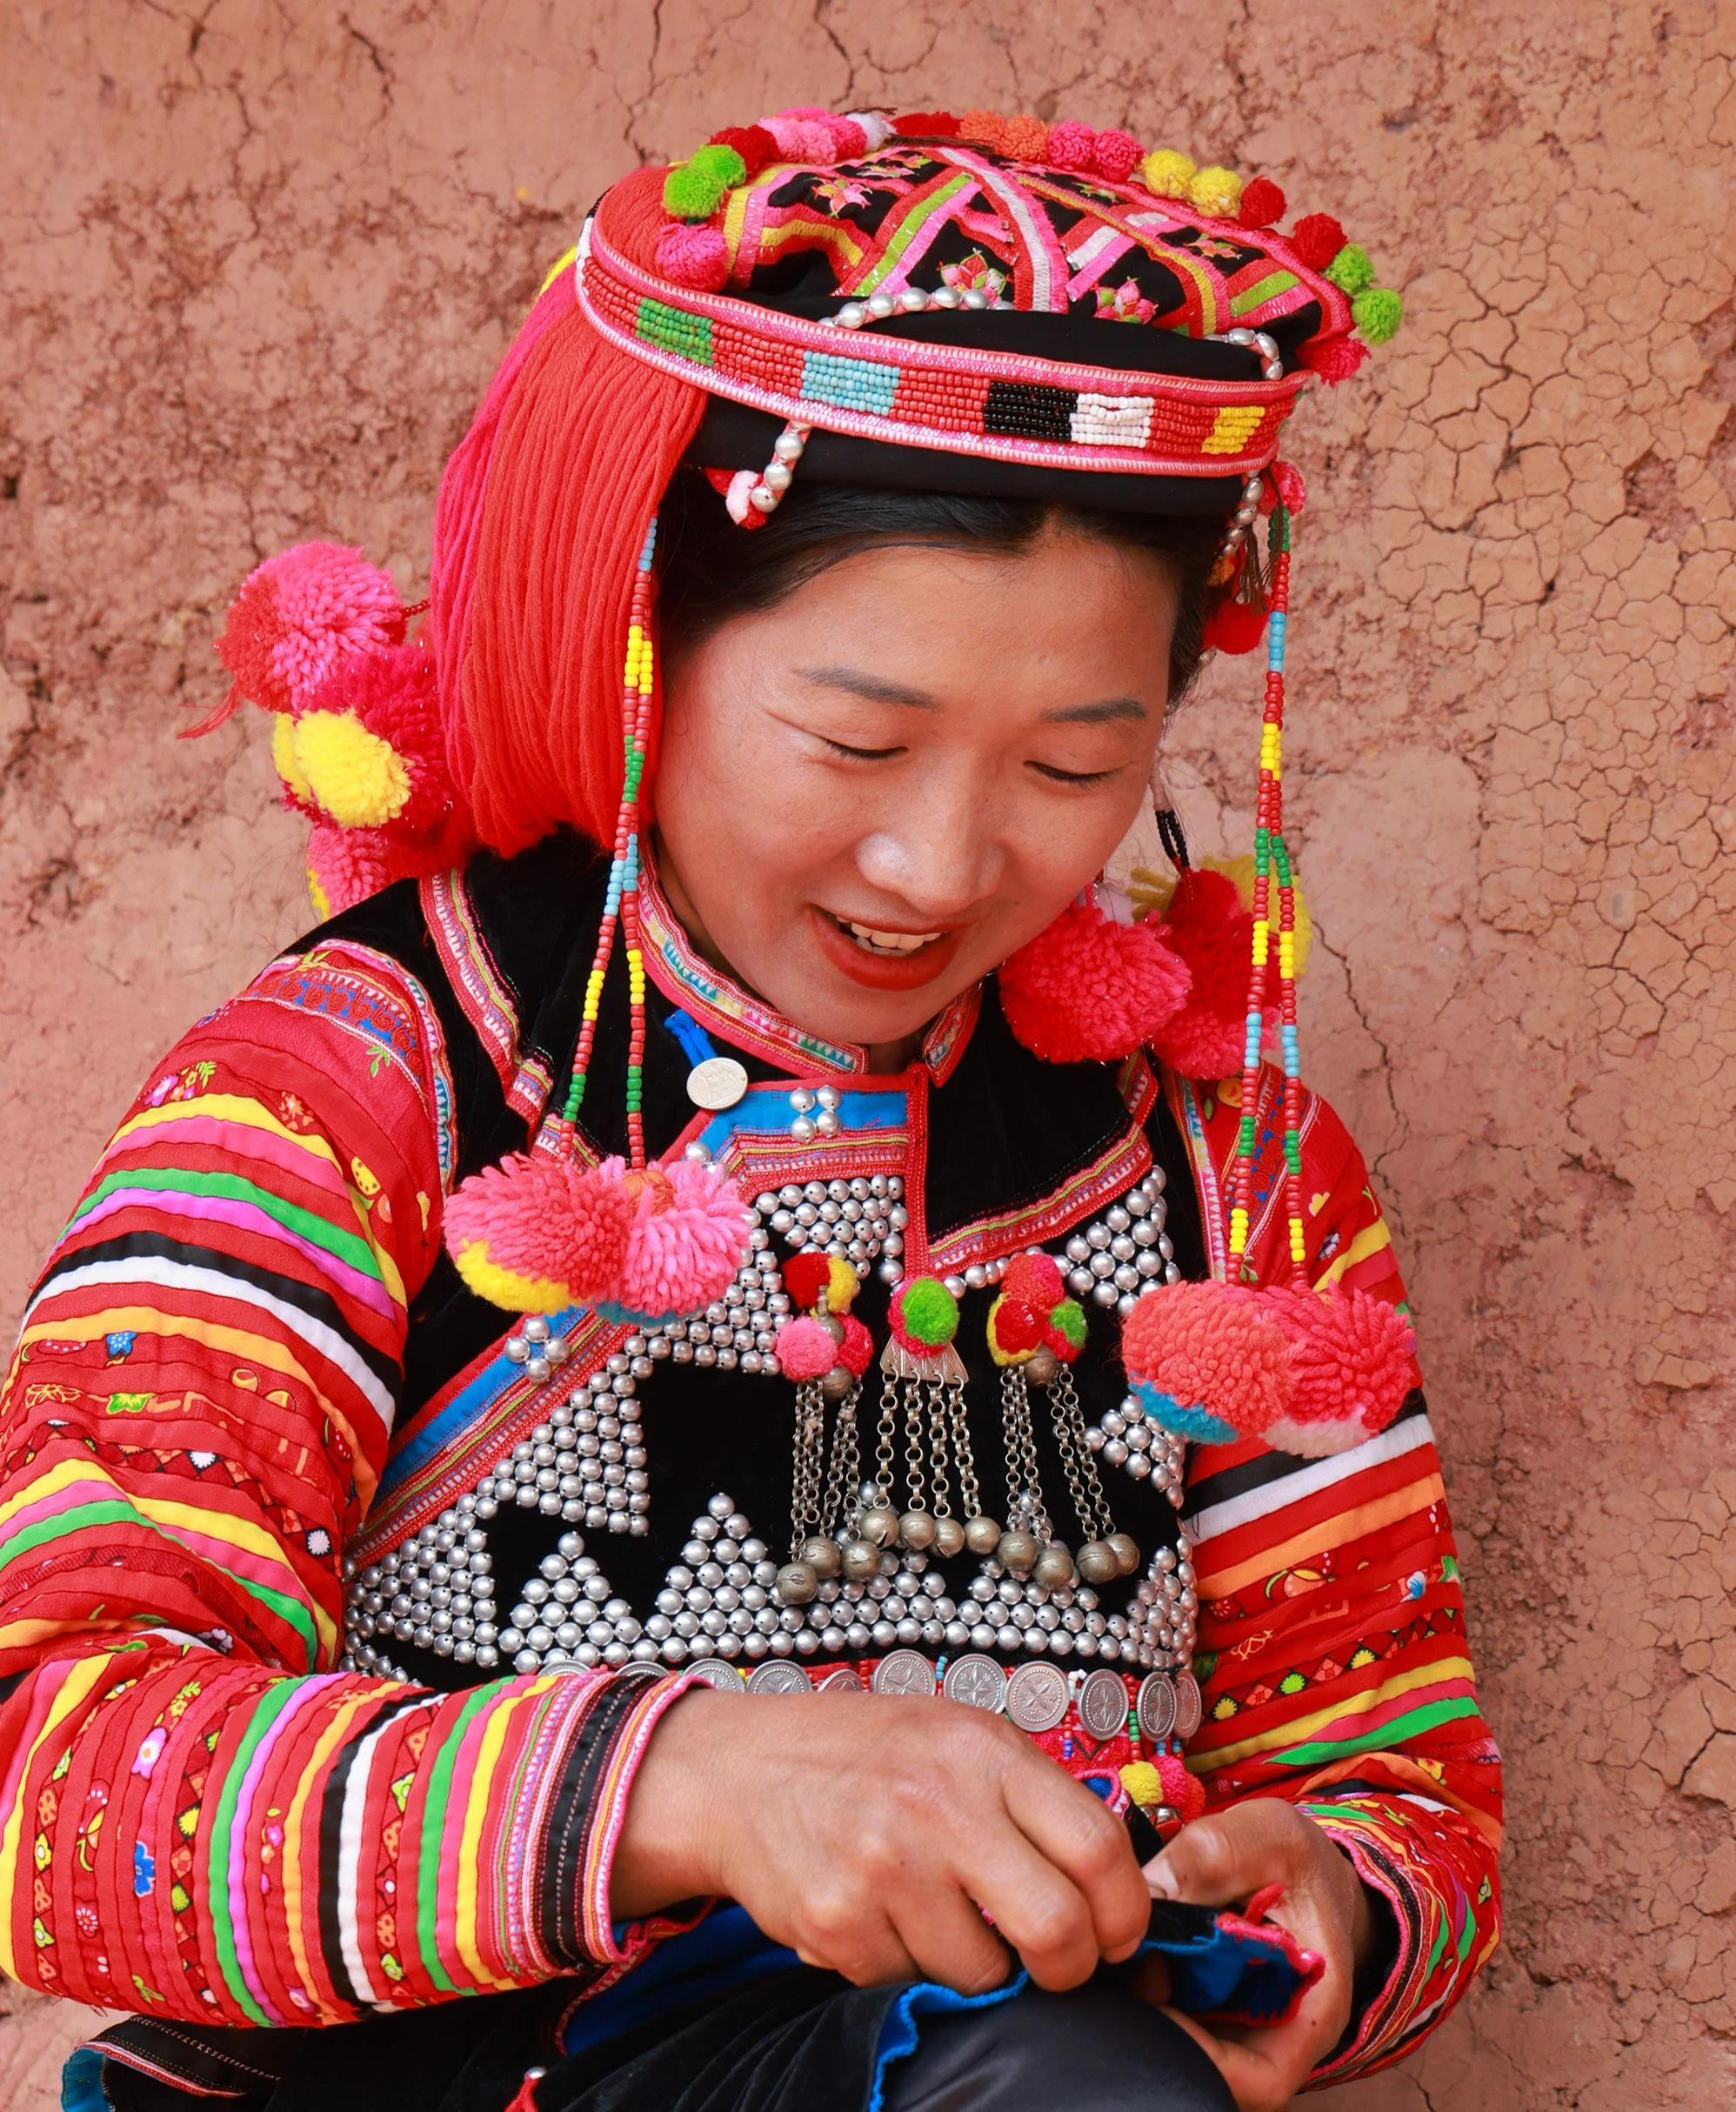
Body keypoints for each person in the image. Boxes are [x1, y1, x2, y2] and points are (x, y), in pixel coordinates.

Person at [0, 104, 1500, 2112]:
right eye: (851, 736)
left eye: (1073, 766)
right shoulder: (365, 1082)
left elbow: (1389, 1773)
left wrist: (1334, 1897)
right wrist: (687, 1779)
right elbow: (53, 1768)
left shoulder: (1227, 1179)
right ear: (640, 648)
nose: (937, 863)